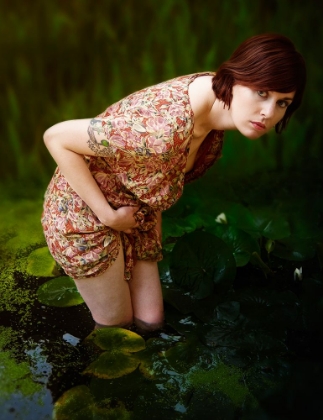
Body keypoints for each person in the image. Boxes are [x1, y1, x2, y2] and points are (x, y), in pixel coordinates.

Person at [41, 33, 306, 332]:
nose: (269, 113)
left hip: (136, 212)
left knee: (151, 323)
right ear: (236, 77)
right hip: (85, 213)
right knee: (118, 329)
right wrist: (108, 215)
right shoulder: (164, 129)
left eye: (282, 102)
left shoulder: (216, 101)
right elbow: (57, 137)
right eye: (261, 93)